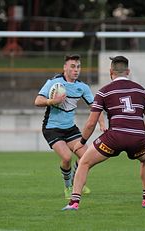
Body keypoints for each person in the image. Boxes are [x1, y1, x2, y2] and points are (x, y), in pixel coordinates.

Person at [62, 55, 145, 210]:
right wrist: (140, 132)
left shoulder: (104, 92)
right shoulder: (141, 90)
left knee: (84, 163)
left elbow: (91, 123)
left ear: (111, 72)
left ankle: (74, 203)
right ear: (128, 71)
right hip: (137, 138)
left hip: (114, 138)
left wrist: (81, 142)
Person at [34, 54, 105, 199]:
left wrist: (102, 124)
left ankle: (76, 180)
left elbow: (96, 107)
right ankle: (68, 187)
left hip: (70, 128)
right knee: (67, 157)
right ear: (65, 67)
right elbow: (38, 100)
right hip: (52, 128)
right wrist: (52, 101)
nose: (76, 70)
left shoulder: (82, 87)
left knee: (87, 157)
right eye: (72, 66)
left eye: (78, 67)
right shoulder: (54, 82)